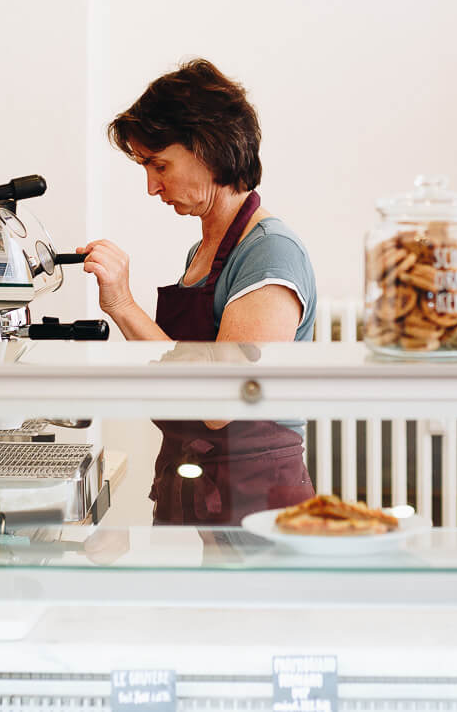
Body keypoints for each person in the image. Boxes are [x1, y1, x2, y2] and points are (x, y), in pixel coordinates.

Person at [81, 59, 316, 526]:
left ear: (207, 149)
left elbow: (216, 405)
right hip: (196, 485)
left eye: (159, 165)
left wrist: (124, 306)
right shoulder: (201, 250)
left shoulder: (269, 254)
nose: (151, 186)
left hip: (255, 503)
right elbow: (177, 375)